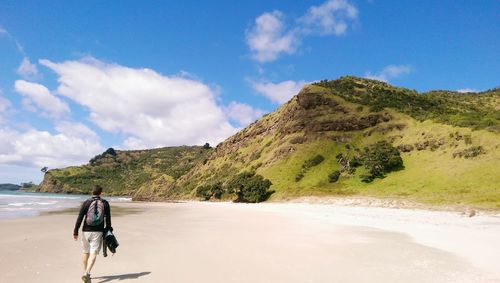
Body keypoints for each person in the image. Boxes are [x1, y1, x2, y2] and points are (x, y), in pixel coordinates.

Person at [73, 185, 112, 283]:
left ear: (92, 192)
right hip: (98, 231)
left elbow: (80, 217)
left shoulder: (86, 202)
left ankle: (86, 273)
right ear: (101, 193)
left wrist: (75, 231)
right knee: (93, 252)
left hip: (86, 230)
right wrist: (108, 230)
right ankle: (87, 273)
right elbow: (108, 219)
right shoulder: (105, 203)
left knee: (86, 252)